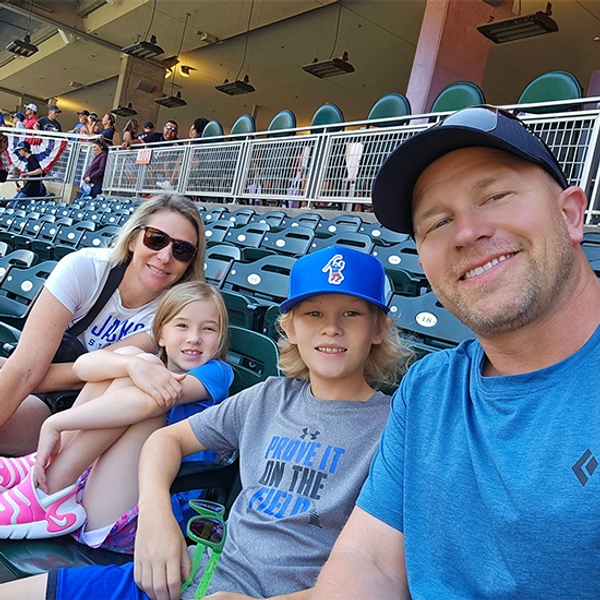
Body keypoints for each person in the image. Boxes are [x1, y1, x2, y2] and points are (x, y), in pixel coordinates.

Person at [1, 245, 411, 600]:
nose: (331, 328)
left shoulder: (396, 426)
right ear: (288, 326)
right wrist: (157, 517)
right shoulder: (267, 396)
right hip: (187, 573)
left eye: (352, 313)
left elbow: (387, 576)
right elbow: (166, 442)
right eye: (314, 313)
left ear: (379, 328)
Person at [312, 106, 600, 600]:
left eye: (495, 195)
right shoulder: (428, 387)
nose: (467, 232)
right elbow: (371, 560)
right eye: (437, 222)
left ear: (571, 214)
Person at [0, 281, 233, 555]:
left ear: (220, 338)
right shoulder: (146, 361)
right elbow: (83, 366)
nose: (194, 338)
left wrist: (57, 422)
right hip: (91, 488)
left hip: (146, 517)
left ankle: (47, 488)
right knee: (133, 360)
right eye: (182, 326)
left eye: (208, 329)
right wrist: (130, 364)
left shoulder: (217, 373)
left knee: (150, 394)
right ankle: (44, 473)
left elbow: (147, 404)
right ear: (160, 334)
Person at [0, 193, 206, 456]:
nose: (165, 256)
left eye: (182, 250)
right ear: (133, 239)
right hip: (40, 395)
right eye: (156, 239)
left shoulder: (173, 315)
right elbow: (25, 370)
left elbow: (78, 375)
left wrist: (15, 366)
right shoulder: (85, 269)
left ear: (191, 261)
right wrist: (18, 368)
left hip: (84, 420)